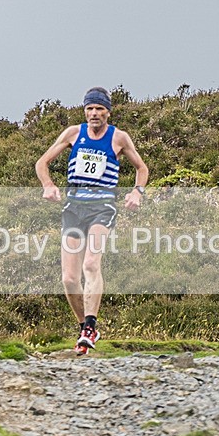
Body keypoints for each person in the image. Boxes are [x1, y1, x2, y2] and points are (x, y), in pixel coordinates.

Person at [35, 87, 148, 355]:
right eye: (90, 109)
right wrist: (48, 185)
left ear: (108, 112)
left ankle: (90, 326)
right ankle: (85, 328)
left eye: (99, 109)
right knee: (69, 279)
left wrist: (137, 192)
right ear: (84, 111)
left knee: (90, 264)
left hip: (102, 208)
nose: (94, 113)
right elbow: (42, 163)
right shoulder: (74, 133)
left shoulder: (119, 137)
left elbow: (141, 168)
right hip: (74, 208)